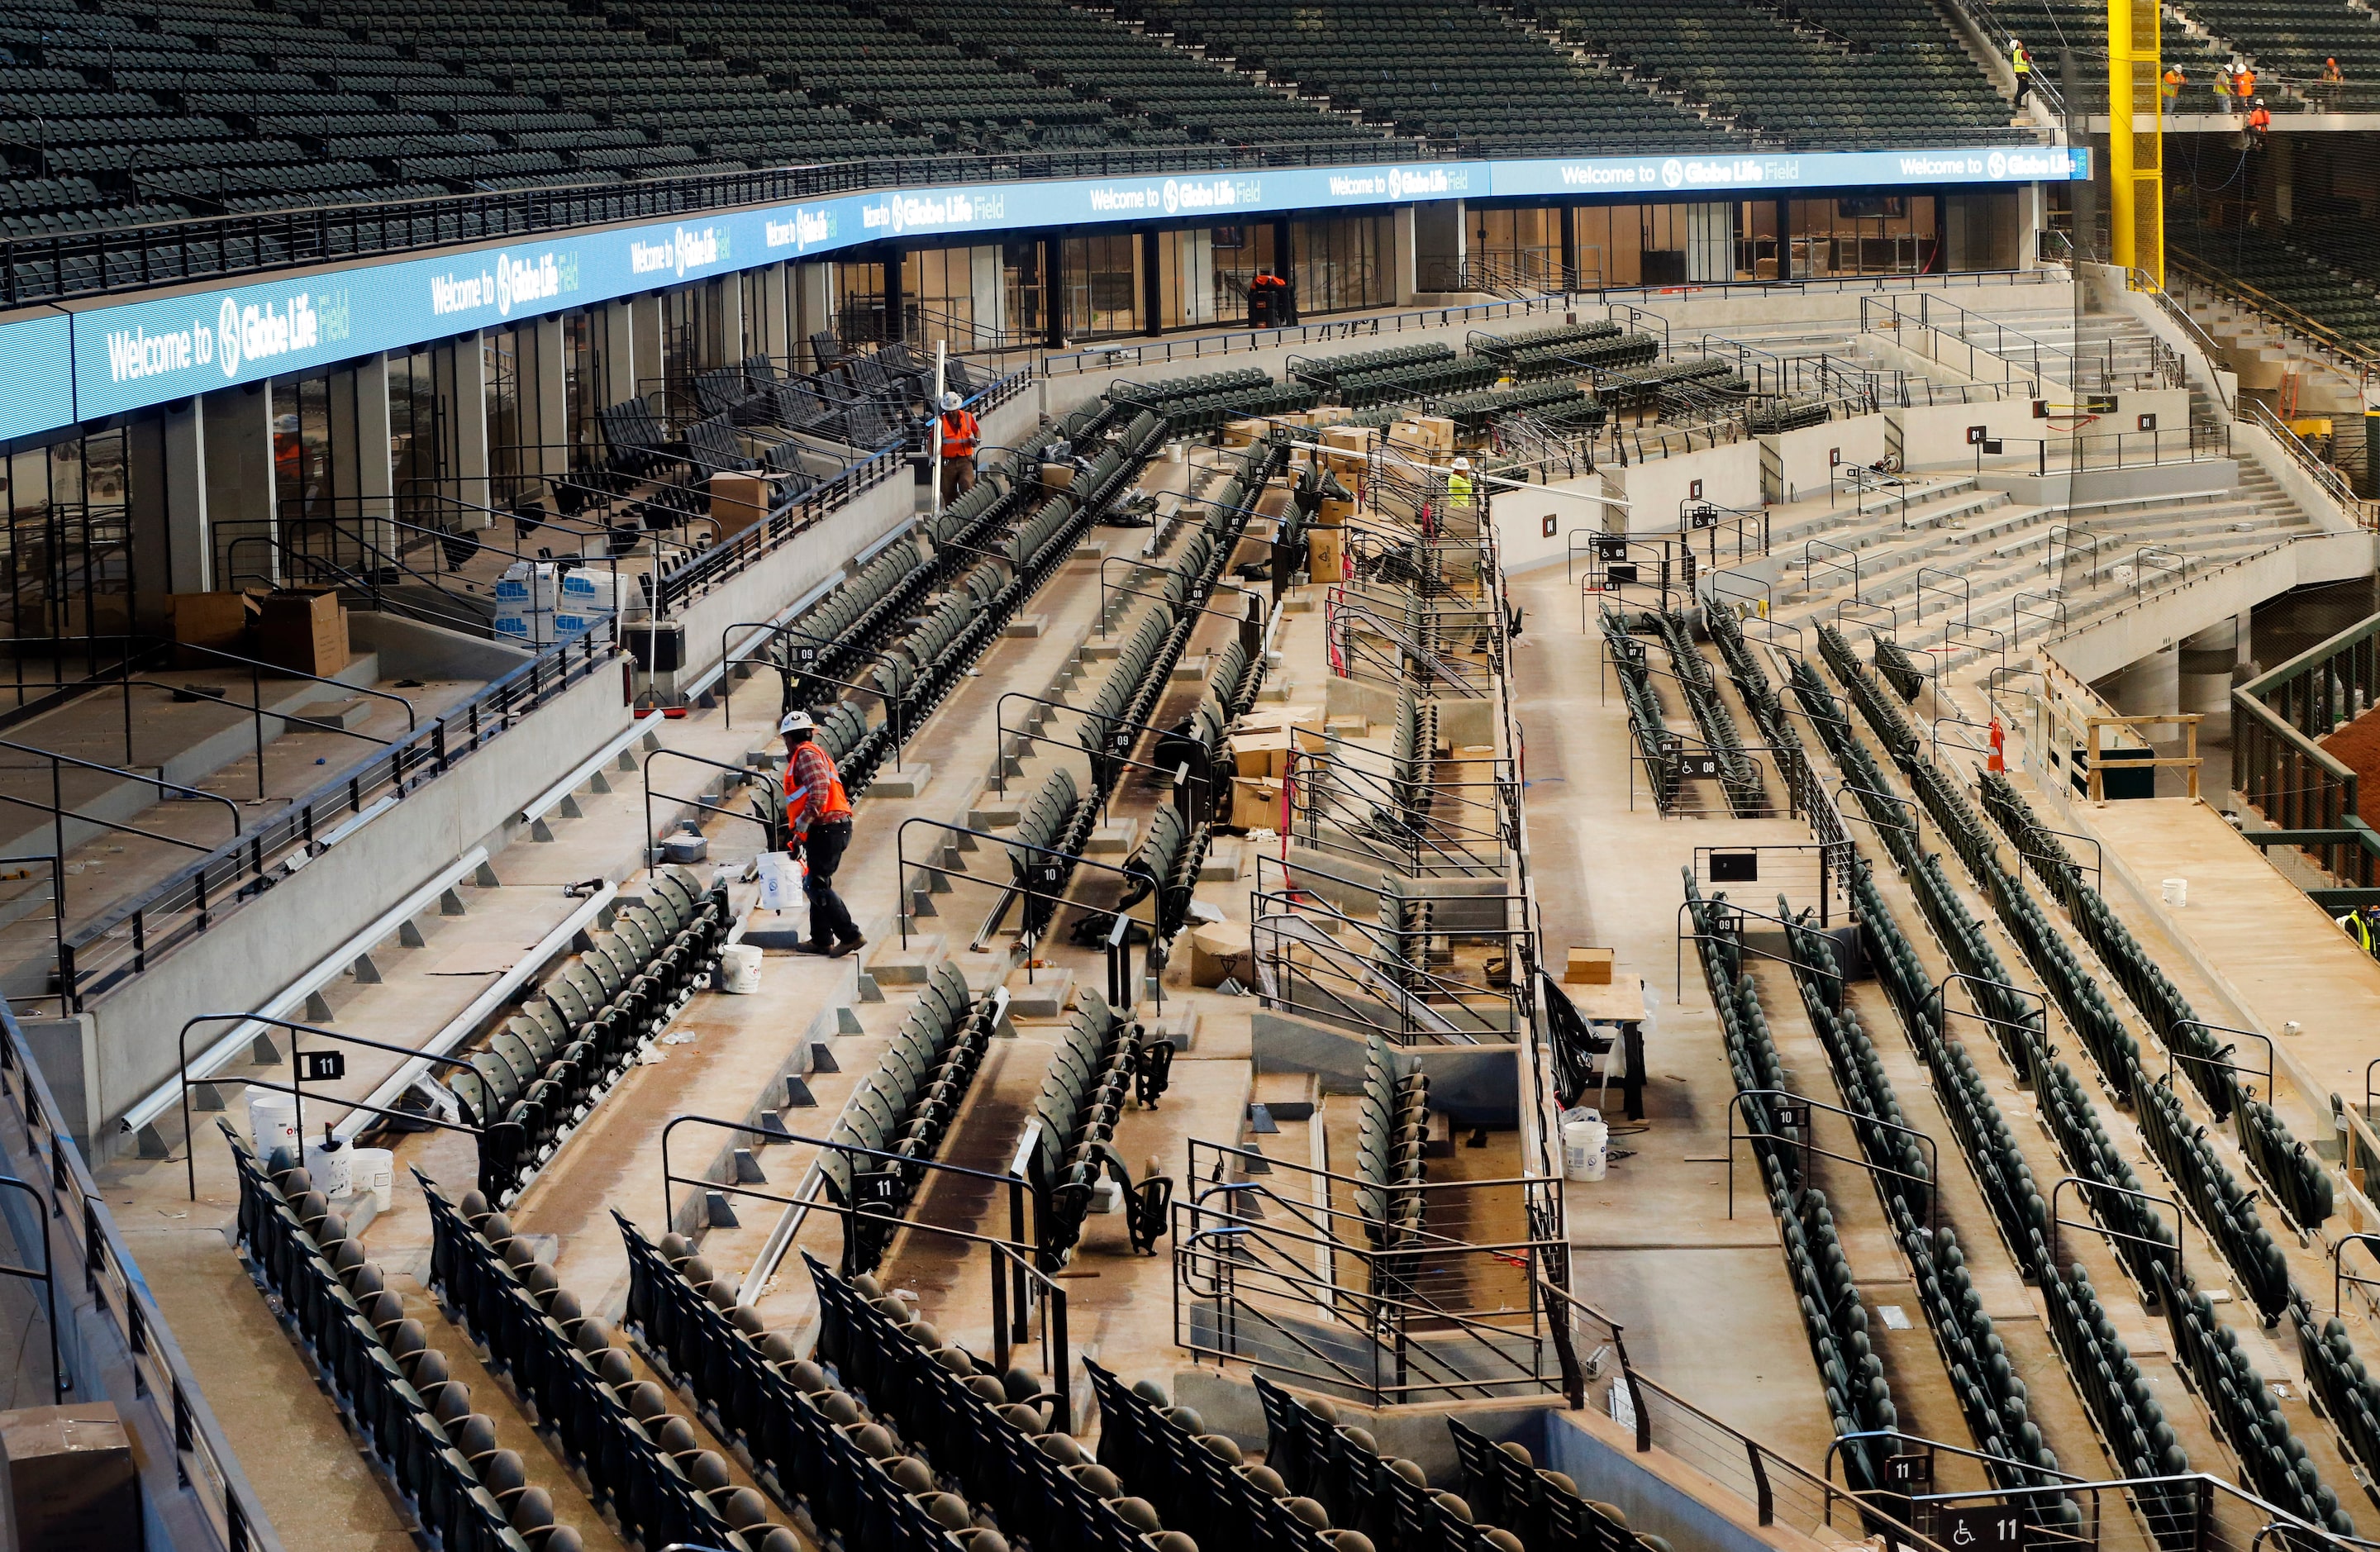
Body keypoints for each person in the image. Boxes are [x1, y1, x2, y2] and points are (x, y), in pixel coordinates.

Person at [779, 710, 864, 958]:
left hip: (828, 828)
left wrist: (802, 826)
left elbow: (818, 794)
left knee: (815, 884)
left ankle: (850, 935)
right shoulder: (811, 754)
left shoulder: (804, 754)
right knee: (817, 881)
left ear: (790, 738)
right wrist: (798, 837)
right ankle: (821, 939)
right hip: (827, 828)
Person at [935, 390, 978, 505]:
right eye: (948, 410)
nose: (950, 413)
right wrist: (931, 457)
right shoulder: (940, 422)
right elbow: (931, 441)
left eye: (952, 410)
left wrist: (976, 440)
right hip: (948, 462)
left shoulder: (967, 417)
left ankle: (970, 509)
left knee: (967, 483)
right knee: (948, 490)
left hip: (965, 460)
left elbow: (977, 431)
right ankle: (953, 513)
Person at [2009, 37, 2032, 108]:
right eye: (2019, 43)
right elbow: (2028, 59)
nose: (2021, 44)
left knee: (2020, 88)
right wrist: (2030, 60)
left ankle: (2018, 102)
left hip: (2018, 73)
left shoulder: (2015, 53)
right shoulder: (2022, 52)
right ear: (2017, 45)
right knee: (2025, 88)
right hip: (2022, 73)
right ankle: (2016, 99)